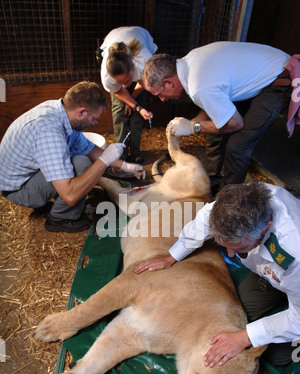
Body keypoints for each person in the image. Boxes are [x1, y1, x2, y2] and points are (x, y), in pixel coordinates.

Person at [134, 182, 300, 367]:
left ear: (265, 227)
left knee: (277, 355)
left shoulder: (294, 251)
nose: (230, 255)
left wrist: (244, 338)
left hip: (293, 276)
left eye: (238, 248)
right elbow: (203, 222)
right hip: (272, 275)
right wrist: (172, 256)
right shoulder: (234, 204)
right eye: (224, 246)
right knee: (240, 313)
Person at [143, 42, 294, 193]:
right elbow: (212, 105)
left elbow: (235, 124)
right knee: (216, 127)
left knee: (237, 146)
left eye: (159, 94)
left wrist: (194, 127)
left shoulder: (198, 86)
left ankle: (228, 200)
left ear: (168, 82)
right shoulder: (189, 62)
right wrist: (190, 123)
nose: (162, 99)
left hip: (279, 77)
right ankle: (211, 181)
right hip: (261, 72)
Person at [0, 81, 144, 233]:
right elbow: (70, 195)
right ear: (82, 112)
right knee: (83, 164)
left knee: (81, 157)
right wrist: (104, 161)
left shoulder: (59, 111)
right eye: (94, 118)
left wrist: (126, 166)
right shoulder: (49, 131)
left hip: (26, 174)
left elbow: (89, 148)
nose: (94, 123)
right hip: (18, 189)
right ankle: (59, 218)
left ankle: (54, 205)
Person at [100, 26, 157, 163]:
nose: (126, 86)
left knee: (139, 112)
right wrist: (128, 101)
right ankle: (121, 151)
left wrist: (136, 105)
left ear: (132, 64)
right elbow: (118, 90)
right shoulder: (106, 75)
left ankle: (136, 150)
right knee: (120, 110)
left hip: (142, 36)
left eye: (127, 81)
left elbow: (144, 83)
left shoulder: (145, 63)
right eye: (120, 82)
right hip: (113, 36)